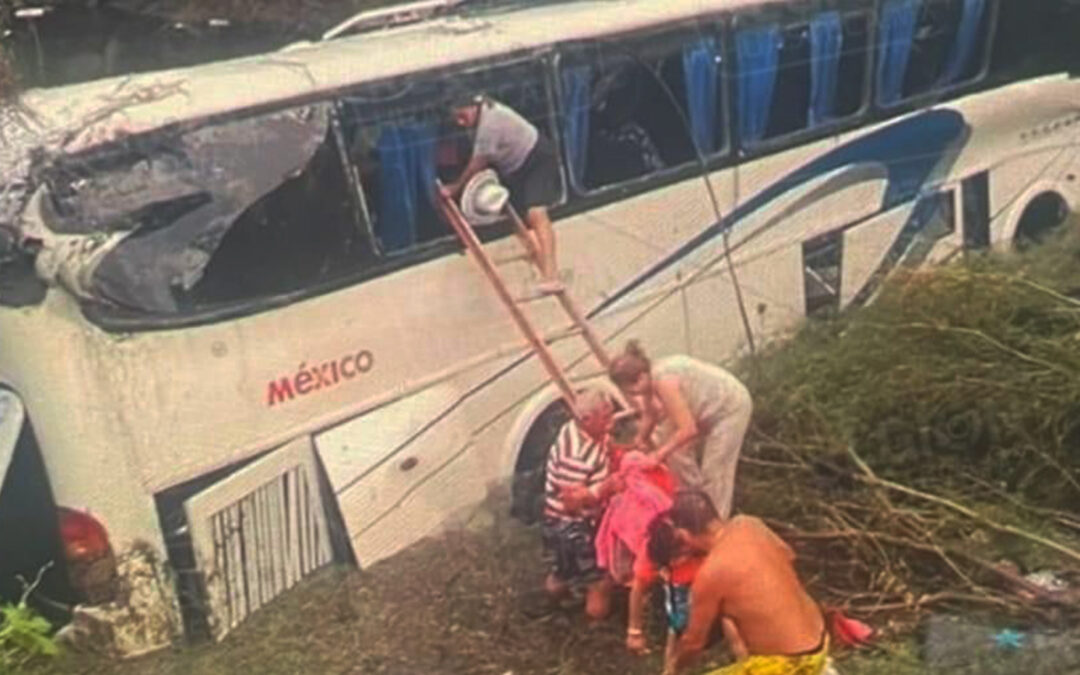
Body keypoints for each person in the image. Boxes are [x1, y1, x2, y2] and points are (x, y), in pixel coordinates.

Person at [658, 491, 829, 675]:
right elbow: (789, 555)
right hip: (821, 640)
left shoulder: (712, 573)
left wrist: (673, 668)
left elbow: (693, 643)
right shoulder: (749, 523)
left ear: (684, 535)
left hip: (791, 664)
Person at [608, 341, 752, 519]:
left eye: (633, 390)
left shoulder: (664, 381)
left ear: (642, 376)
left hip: (728, 409)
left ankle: (716, 523)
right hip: (701, 410)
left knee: (714, 472)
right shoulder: (650, 379)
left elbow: (688, 429)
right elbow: (650, 413)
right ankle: (693, 501)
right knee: (675, 452)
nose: (635, 395)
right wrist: (640, 439)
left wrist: (657, 456)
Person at [441, 93, 564, 294]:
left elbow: (477, 163)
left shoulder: (490, 124)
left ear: (473, 106)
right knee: (517, 218)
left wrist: (455, 187)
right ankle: (535, 257)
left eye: (462, 116)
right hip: (513, 167)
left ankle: (551, 275)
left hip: (536, 158)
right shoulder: (479, 118)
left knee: (536, 213)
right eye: (456, 119)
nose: (460, 123)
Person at [540, 388, 619, 620]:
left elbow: (606, 443)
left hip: (559, 523)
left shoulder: (584, 431)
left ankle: (555, 605)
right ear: (586, 419)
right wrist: (604, 489)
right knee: (600, 581)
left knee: (561, 572)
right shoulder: (573, 455)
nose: (611, 423)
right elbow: (570, 503)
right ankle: (595, 630)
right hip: (570, 525)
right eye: (606, 418)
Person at [625, 511, 706, 675]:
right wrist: (635, 631)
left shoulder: (704, 537)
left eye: (679, 558)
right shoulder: (653, 550)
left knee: (730, 624)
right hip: (679, 592)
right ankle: (670, 669)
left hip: (713, 583)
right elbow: (638, 588)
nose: (677, 563)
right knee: (676, 628)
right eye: (671, 562)